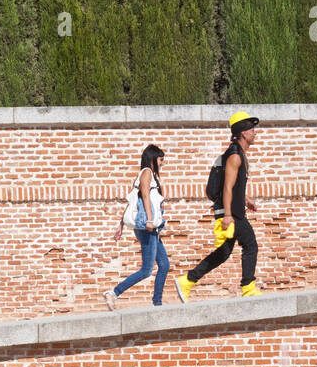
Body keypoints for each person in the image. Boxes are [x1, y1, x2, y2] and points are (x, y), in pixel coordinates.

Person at [175, 111, 261, 301]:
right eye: (251, 129)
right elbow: (227, 187)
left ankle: (187, 281)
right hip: (231, 213)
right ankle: (248, 287)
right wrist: (228, 215)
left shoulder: (239, 154)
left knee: (223, 253)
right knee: (251, 244)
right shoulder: (234, 156)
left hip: (234, 210)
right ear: (243, 132)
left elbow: (235, 186)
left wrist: (246, 200)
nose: (255, 132)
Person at [104, 145, 171, 309]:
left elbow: (133, 201)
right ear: (153, 158)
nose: (163, 163)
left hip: (150, 228)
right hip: (147, 228)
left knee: (164, 264)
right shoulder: (147, 172)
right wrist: (149, 219)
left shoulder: (146, 173)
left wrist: (121, 224)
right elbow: (145, 196)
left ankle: (157, 302)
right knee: (147, 270)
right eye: (161, 160)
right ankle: (113, 292)